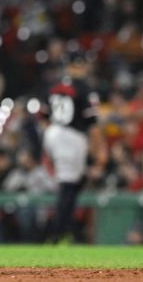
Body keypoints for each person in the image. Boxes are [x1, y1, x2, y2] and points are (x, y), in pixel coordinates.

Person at [42, 53, 100, 243]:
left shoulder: (54, 85)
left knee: (76, 183)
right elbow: (92, 123)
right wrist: (99, 152)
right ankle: (57, 234)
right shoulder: (84, 87)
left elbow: (43, 115)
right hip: (71, 136)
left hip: (52, 133)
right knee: (68, 187)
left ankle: (67, 229)